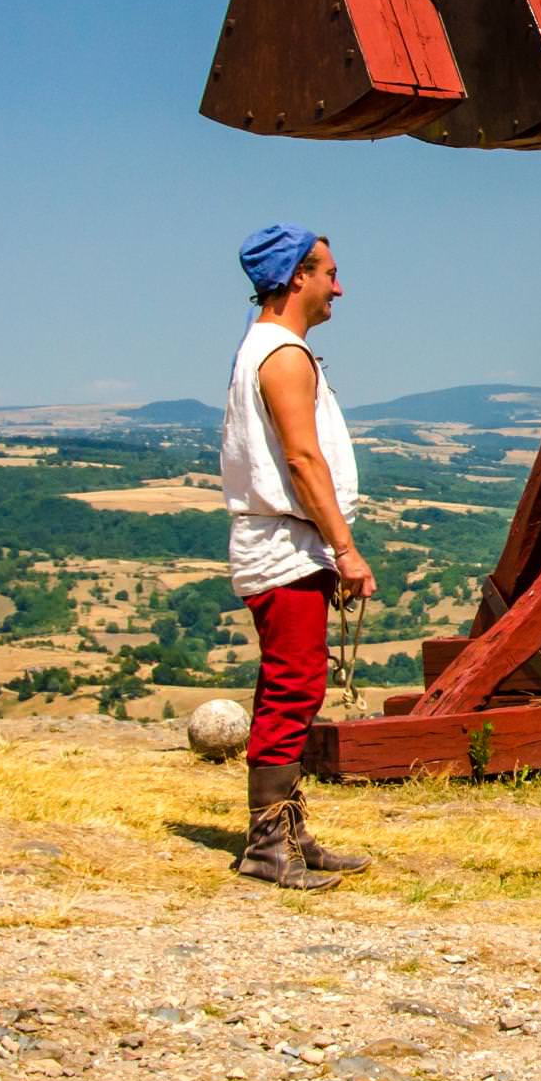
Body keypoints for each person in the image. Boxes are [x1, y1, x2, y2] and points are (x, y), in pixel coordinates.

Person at [220, 224, 376, 889]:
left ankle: (288, 829)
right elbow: (303, 460)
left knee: (296, 683)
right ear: (295, 278)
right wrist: (346, 549)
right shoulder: (283, 356)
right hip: (285, 546)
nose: (338, 286)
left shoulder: (276, 350)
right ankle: (266, 844)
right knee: (293, 687)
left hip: (288, 546)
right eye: (328, 274)